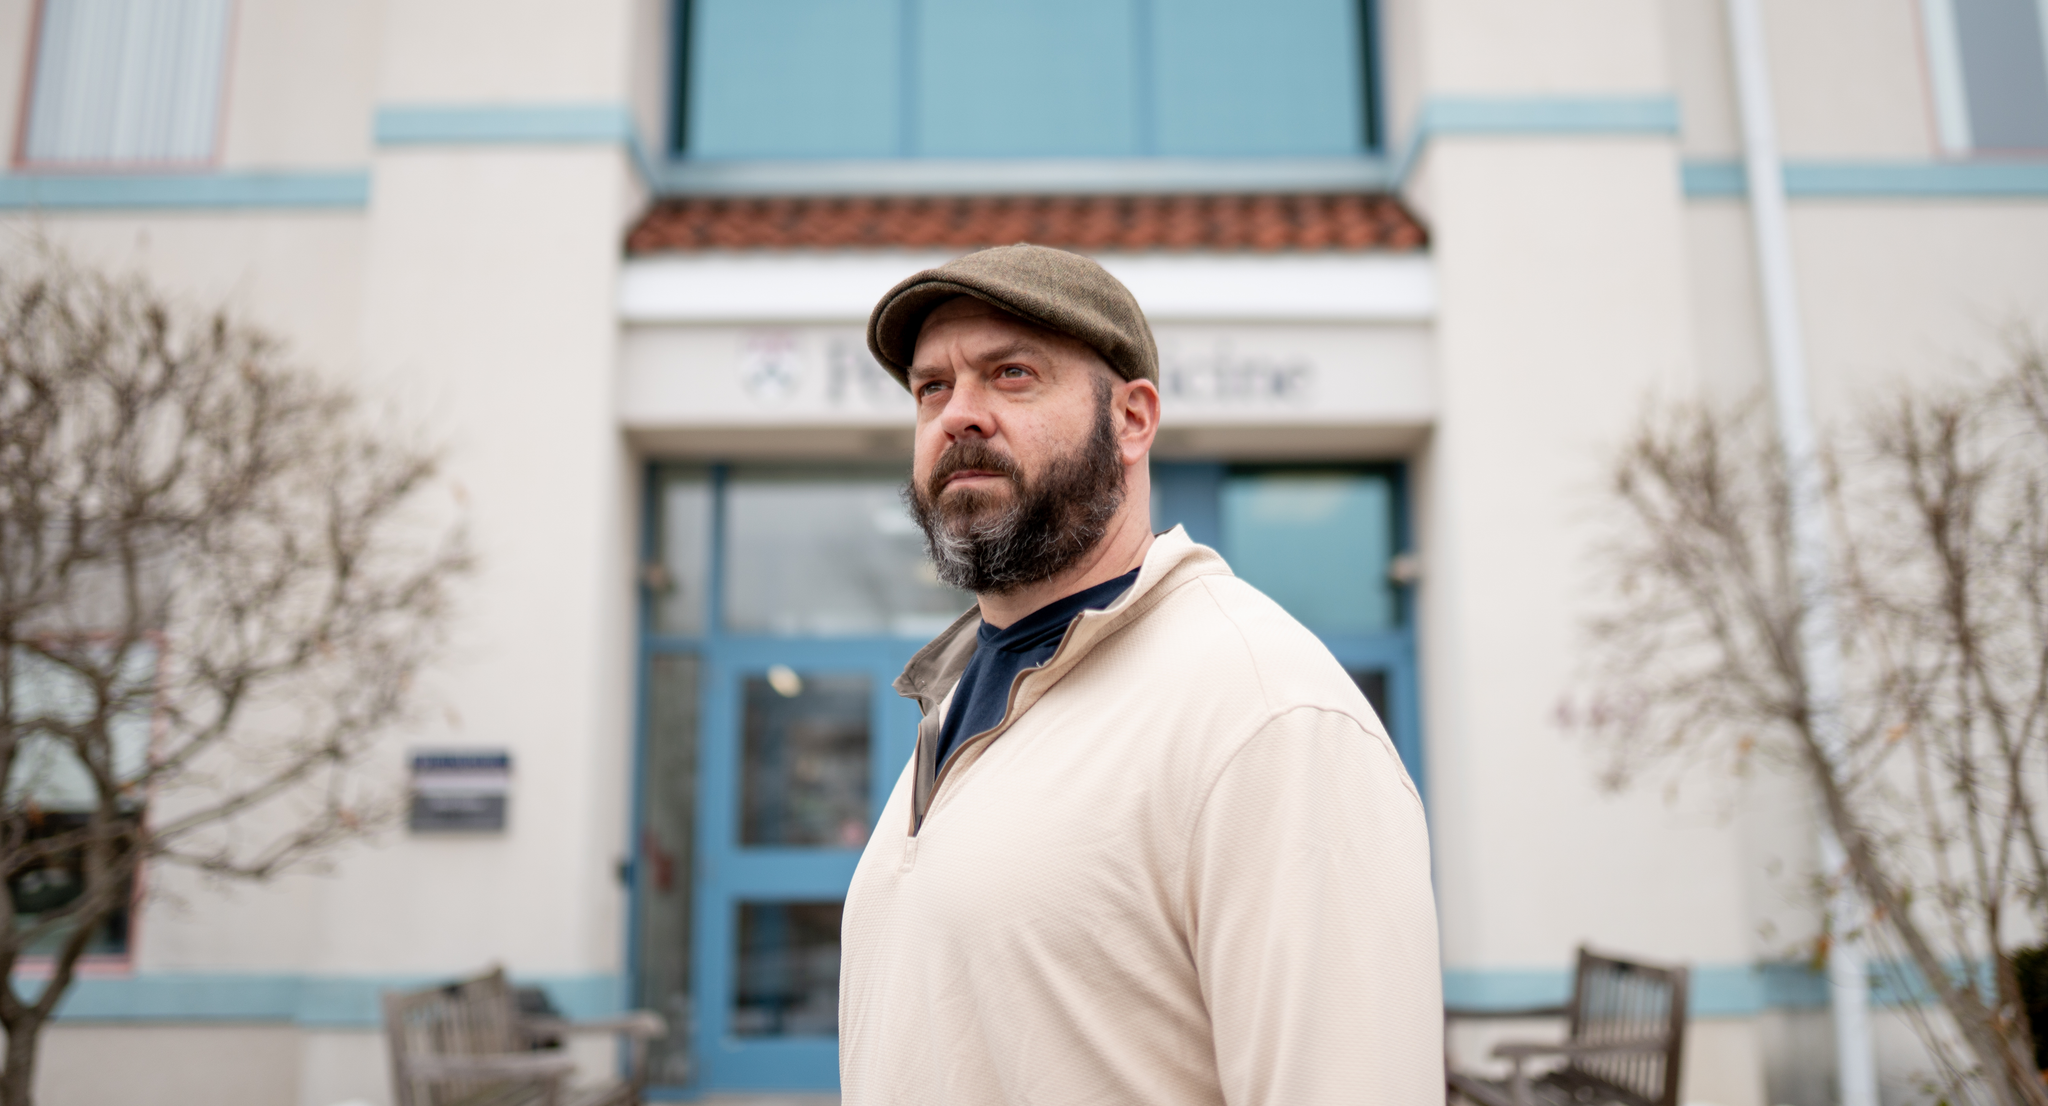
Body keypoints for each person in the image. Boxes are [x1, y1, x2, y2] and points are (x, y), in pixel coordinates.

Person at [839, 243, 1441, 1105]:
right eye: (933, 387)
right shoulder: (959, 696)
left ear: (1132, 420)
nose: (959, 415)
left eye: (1011, 374)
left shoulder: (1267, 714)